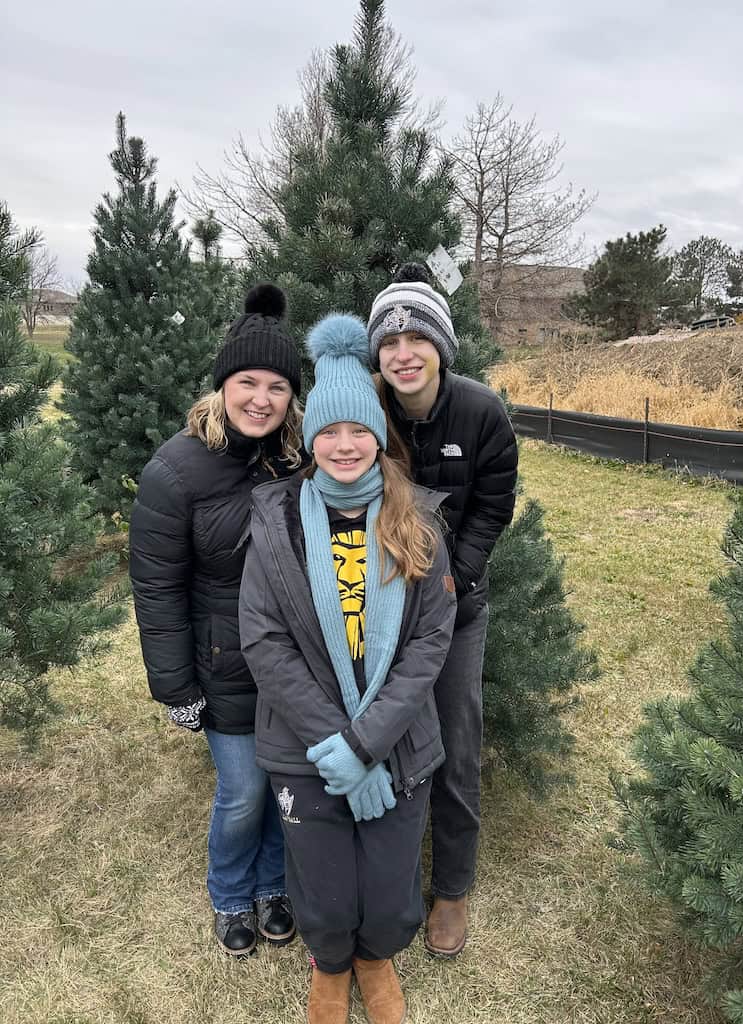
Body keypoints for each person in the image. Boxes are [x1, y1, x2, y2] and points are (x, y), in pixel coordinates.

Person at [238, 313, 457, 1024]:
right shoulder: (274, 521)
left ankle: (377, 957)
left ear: (376, 435)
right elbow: (263, 640)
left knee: (391, 880)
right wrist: (332, 741)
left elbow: (430, 642)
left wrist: (366, 746)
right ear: (309, 438)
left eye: (357, 430)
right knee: (325, 882)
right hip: (307, 746)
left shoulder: (417, 519)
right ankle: (331, 963)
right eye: (329, 431)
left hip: (396, 740)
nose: (343, 444)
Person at [129, 284, 302, 956]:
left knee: (285, 784)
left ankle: (273, 885)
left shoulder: (298, 459)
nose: (261, 398)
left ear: (292, 396)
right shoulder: (175, 472)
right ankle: (230, 895)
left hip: (292, 664)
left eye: (277, 386)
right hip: (223, 663)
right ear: (222, 385)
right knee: (243, 792)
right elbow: (157, 587)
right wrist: (177, 689)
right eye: (247, 381)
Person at [367, 263, 518, 958]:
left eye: (416, 338)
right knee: (387, 736)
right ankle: (389, 877)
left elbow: (492, 506)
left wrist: (453, 582)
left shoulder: (481, 413)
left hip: (456, 609)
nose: (403, 353)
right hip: (378, 606)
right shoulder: (364, 413)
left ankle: (452, 887)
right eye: (389, 342)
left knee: (456, 742)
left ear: (440, 347)